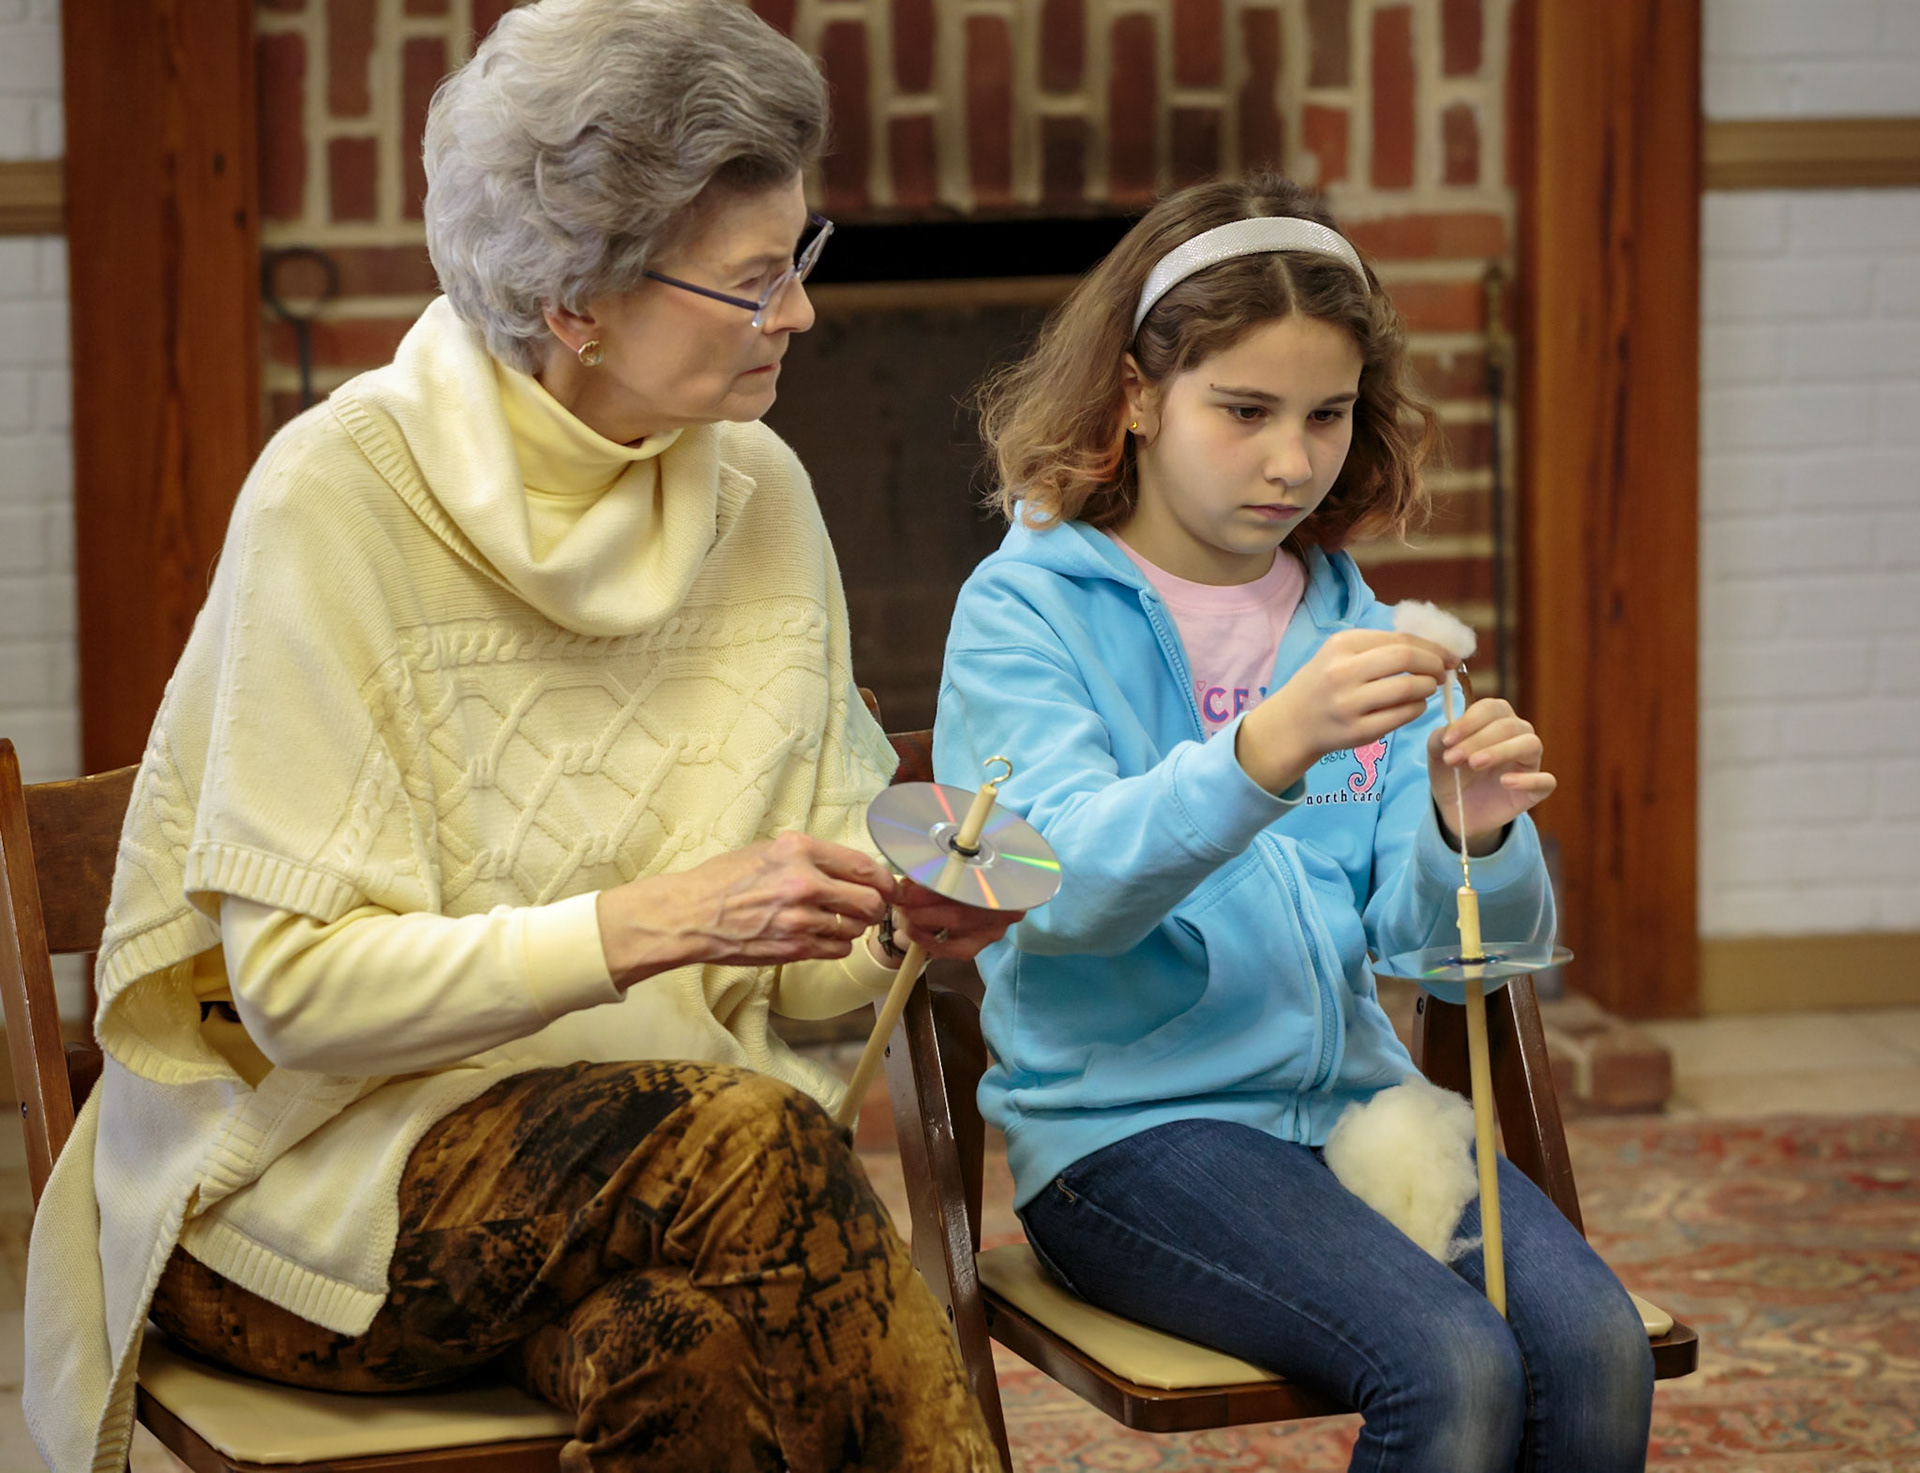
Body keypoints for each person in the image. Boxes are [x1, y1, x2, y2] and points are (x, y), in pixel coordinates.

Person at [23, 4, 1011, 1470]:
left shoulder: (766, 497)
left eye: (800, 259)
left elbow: (794, 986)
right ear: (578, 307)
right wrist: (645, 924)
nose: (800, 314)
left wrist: (886, 927)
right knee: (763, 1156)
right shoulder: (338, 499)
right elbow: (289, 998)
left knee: (698, 1351)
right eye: (752, 283)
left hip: (677, 1180)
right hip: (309, 1185)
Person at [933, 175, 1655, 1471]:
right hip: (1130, 1137)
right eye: (1245, 411)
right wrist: (1262, 750)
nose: (1292, 459)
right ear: (1137, 397)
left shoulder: (1353, 618)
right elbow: (1057, 889)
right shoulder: (1025, 611)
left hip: (1359, 1110)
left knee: (1594, 1350)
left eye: (1327, 416)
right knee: (1449, 1363)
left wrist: (1468, 832)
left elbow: (1438, 952)